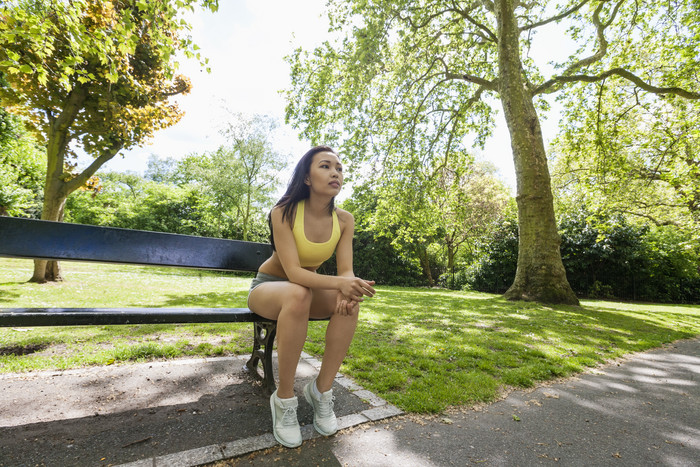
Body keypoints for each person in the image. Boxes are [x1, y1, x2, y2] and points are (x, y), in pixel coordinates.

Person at [247, 145, 376, 448]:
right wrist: (339, 283)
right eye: (325, 166)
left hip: (304, 290)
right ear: (307, 177)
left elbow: (345, 270)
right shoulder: (284, 211)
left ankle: (322, 391)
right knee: (299, 292)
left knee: (349, 303)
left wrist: (348, 286)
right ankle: (284, 399)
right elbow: (293, 272)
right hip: (268, 287)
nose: (335, 172)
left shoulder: (344, 220)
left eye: (339, 168)